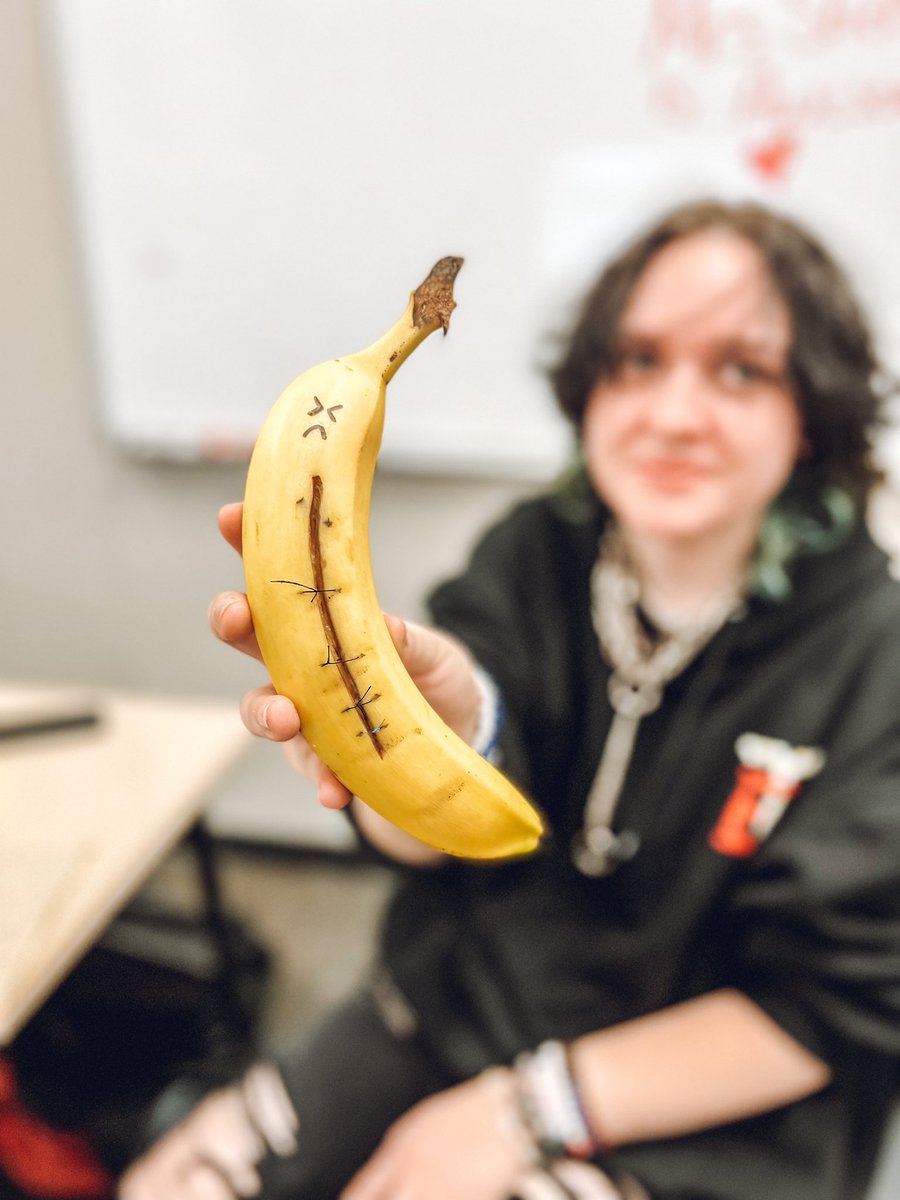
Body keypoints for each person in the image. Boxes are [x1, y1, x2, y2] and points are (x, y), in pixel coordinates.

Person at [118, 198, 900, 1200]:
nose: (673, 415)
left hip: (705, 1106)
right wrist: (406, 748)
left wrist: (527, 1111)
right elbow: (443, 808)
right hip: (451, 1009)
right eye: (638, 360)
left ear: (814, 411)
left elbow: (830, 1005)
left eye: (741, 371)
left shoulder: (873, 651)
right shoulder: (533, 553)